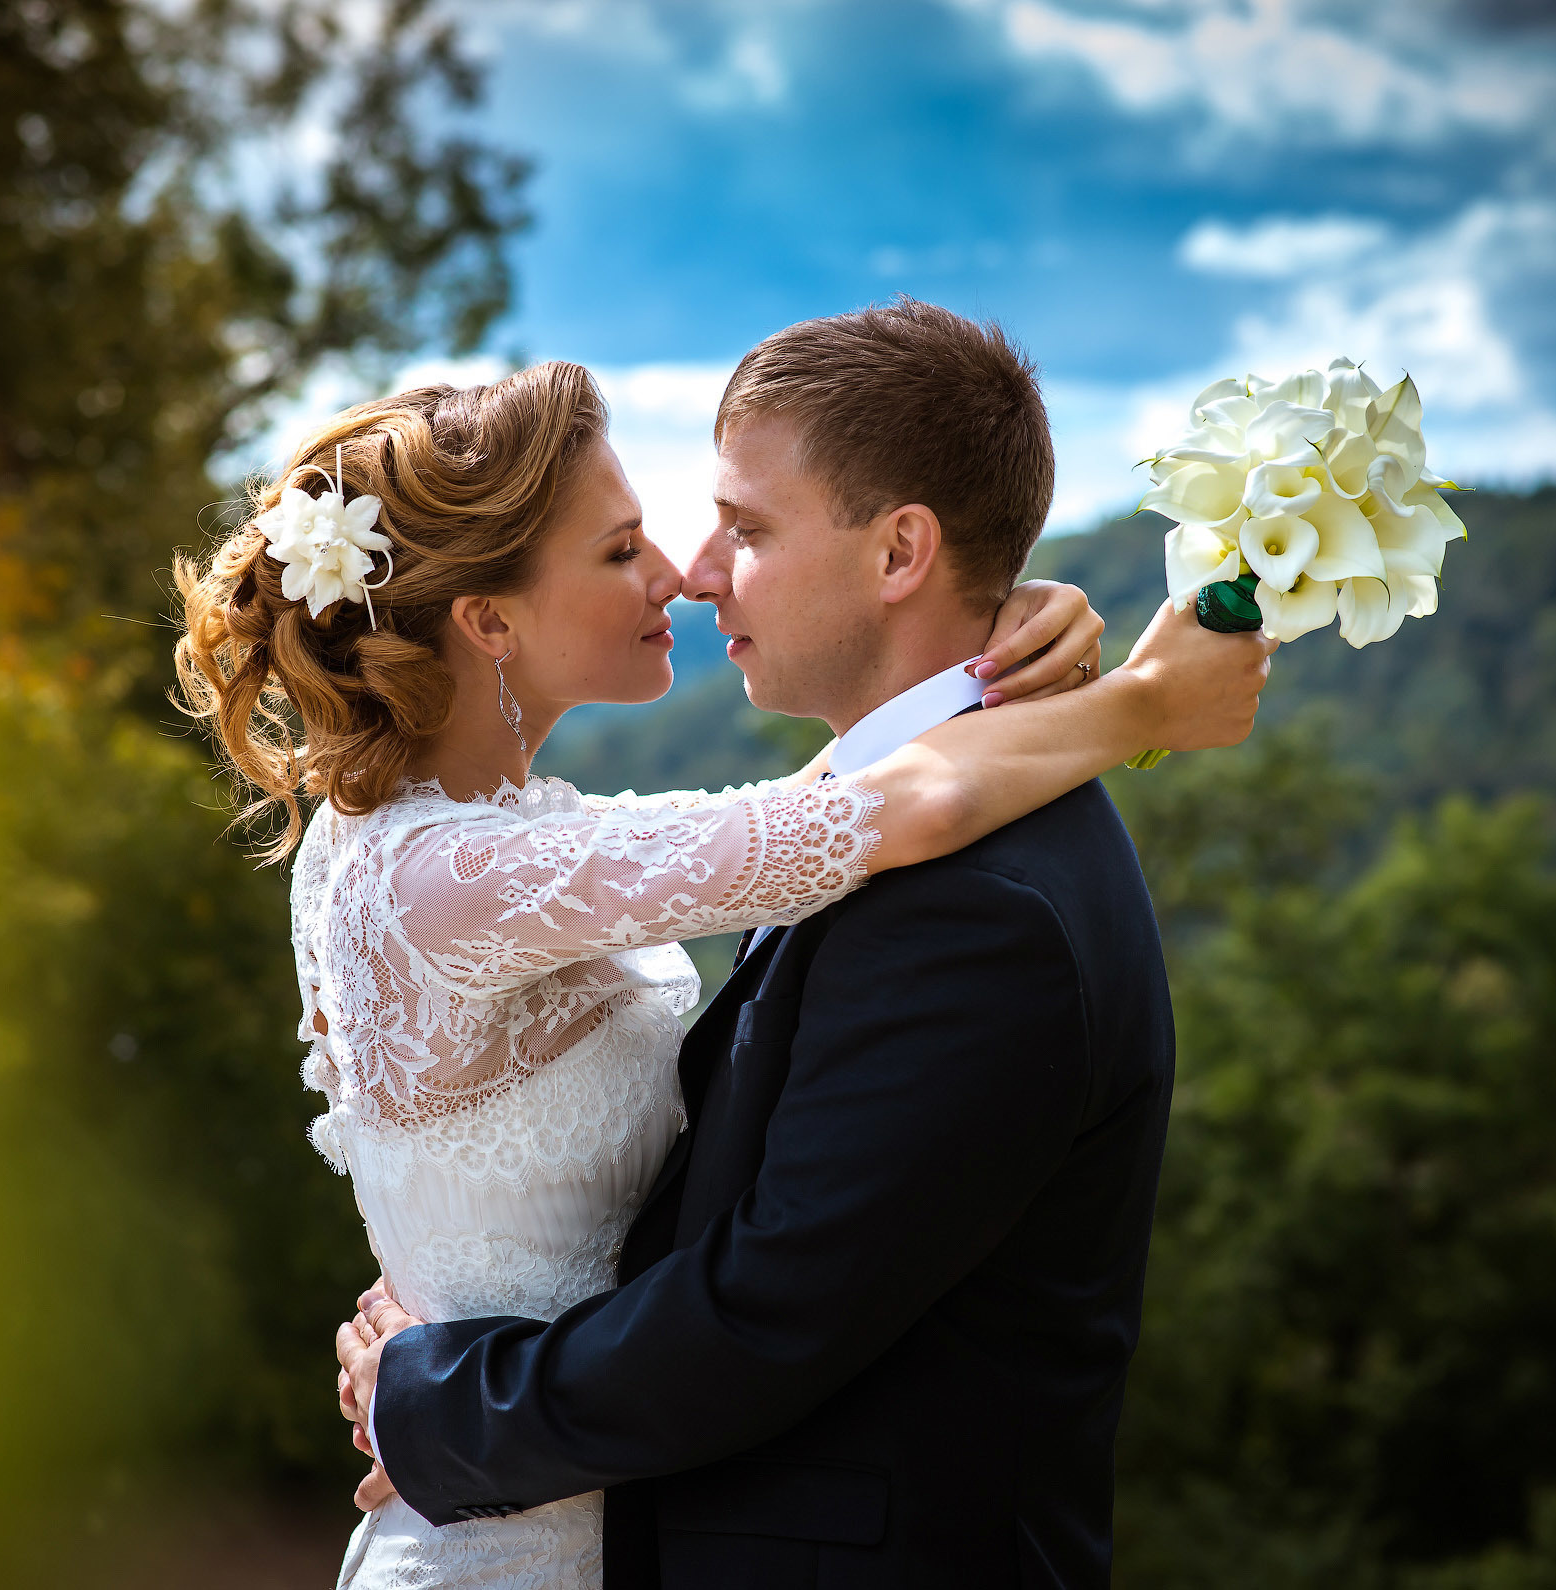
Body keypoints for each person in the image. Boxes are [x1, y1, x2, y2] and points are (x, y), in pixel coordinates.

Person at [178, 307, 1271, 1590]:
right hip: (529, 1523)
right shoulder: (454, 871)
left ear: (900, 549)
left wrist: (434, 1404)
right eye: (627, 547)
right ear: (489, 621)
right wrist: (1119, 699)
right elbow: (870, 806)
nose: (689, 573)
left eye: (740, 528)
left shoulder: (975, 909)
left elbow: (767, 1307)